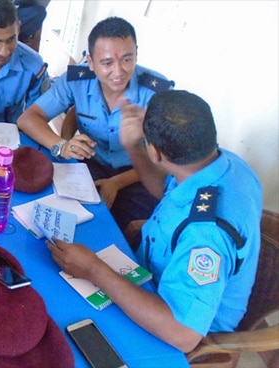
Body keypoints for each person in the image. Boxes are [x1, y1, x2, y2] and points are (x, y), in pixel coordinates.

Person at [48, 90, 262, 352]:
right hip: (153, 274)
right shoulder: (222, 162)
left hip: (176, 325)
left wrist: (94, 269)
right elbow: (168, 191)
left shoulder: (206, 235)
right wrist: (134, 147)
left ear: (156, 152)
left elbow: (183, 334)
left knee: (62, 326)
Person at [17, 16, 174, 234]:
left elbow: (165, 161)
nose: (118, 72)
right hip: (90, 164)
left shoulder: (157, 92)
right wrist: (61, 145)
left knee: (129, 232)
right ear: (90, 62)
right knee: (61, 222)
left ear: (136, 52)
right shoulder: (77, 80)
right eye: (107, 62)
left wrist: (116, 183)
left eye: (127, 59)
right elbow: (28, 118)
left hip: (139, 174)